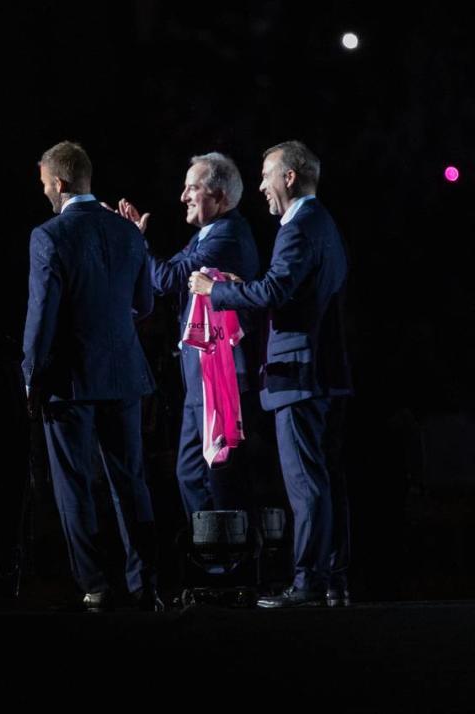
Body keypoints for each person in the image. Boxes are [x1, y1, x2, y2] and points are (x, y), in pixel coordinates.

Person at [190, 141, 352, 607]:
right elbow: (290, 290)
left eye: (265, 174)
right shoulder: (323, 224)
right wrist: (250, 289)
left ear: (289, 177)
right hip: (323, 373)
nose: (259, 185)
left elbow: (279, 289)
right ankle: (333, 578)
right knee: (325, 481)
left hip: (300, 376)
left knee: (306, 484)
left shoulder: (299, 226)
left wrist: (215, 293)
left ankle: (307, 581)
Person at [23, 141, 161, 611]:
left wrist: (30, 376)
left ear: (60, 183)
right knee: (131, 482)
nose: (45, 193)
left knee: (74, 484)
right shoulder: (128, 235)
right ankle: (145, 583)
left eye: (45, 185)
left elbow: (41, 318)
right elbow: (144, 304)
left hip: (70, 381)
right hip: (124, 374)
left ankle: (95, 585)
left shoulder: (49, 236)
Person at [119, 152, 260, 520]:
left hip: (222, 380)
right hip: (201, 381)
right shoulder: (205, 236)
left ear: (220, 197)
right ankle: (216, 561)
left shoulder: (227, 235)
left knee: (220, 478)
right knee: (191, 474)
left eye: (192, 188)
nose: (183, 196)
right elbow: (167, 275)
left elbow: (166, 279)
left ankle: (232, 567)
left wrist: (139, 243)